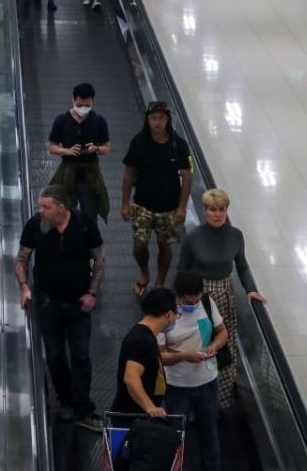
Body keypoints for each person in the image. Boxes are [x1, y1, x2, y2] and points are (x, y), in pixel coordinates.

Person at [15, 185, 106, 432]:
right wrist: (24, 286)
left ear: (61, 208)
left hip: (79, 303)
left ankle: (84, 408)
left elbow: (99, 259)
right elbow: (21, 259)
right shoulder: (36, 225)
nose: (40, 211)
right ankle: (65, 402)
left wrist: (92, 292)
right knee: (55, 356)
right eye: (40, 206)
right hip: (48, 303)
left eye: (45, 207)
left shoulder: (84, 223)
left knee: (81, 356)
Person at [178, 188, 265, 411]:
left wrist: (251, 289)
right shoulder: (193, 237)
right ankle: (193, 400)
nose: (217, 214)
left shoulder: (235, 235)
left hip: (224, 295)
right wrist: (178, 301)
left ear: (227, 210)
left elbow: (242, 266)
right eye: (212, 210)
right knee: (198, 344)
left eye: (221, 210)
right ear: (205, 210)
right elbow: (181, 270)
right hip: (197, 297)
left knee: (222, 347)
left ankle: (219, 400)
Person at [121, 101, 192, 294]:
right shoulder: (138, 142)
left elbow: (187, 176)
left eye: (161, 118)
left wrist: (182, 207)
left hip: (169, 207)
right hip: (142, 204)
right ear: (148, 120)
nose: (157, 122)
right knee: (139, 245)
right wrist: (125, 204)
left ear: (167, 119)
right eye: (153, 118)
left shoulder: (179, 145)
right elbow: (128, 173)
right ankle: (144, 273)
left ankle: (159, 281)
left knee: (165, 247)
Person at [163, 271, 228, 471]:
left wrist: (214, 346)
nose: (193, 305)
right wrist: (184, 356)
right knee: (175, 437)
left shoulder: (207, 304)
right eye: (188, 302)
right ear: (179, 296)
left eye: (196, 300)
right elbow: (159, 355)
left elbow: (222, 331)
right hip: (177, 385)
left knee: (210, 436)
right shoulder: (166, 312)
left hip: (207, 382)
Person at [47, 83, 110, 221]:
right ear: (73, 100)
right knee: (66, 213)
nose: (83, 109)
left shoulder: (99, 121)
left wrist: (97, 149)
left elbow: (107, 147)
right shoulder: (62, 120)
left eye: (87, 105)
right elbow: (51, 146)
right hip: (68, 172)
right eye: (80, 105)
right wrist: (66, 151)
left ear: (93, 101)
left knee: (90, 214)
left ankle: (88, 240)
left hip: (90, 173)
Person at [110, 287, 177, 416]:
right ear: (168, 315)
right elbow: (131, 377)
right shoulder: (143, 340)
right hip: (132, 417)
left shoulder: (143, 334)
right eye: (176, 314)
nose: (176, 319)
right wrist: (150, 407)